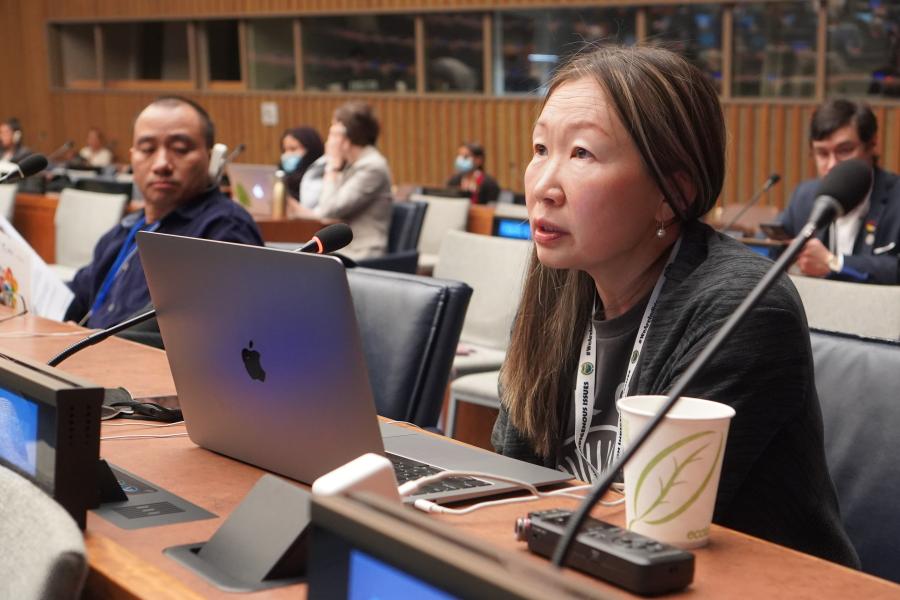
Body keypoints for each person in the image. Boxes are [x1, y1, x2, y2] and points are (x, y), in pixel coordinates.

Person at [492, 46, 858, 567]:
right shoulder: (559, 283)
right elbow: (511, 478)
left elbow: (656, 526)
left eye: (582, 154)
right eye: (540, 148)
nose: (543, 187)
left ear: (673, 194)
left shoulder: (742, 309)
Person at [64, 96, 263, 329]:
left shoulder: (223, 229)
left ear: (209, 158)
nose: (161, 164)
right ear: (132, 157)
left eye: (180, 149)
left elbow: (191, 330)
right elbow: (72, 299)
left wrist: (90, 341)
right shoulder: (121, 234)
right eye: (147, 149)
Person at [777, 99, 900, 284]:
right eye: (822, 153)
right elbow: (770, 244)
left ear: (872, 144)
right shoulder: (805, 196)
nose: (832, 165)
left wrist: (834, 263)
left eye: (845, 150)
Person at [290, 101, 392, 260]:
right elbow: (323, 212)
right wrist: (293, 207)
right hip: (342, 250)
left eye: (333, 133)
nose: (328, 140)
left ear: (347, 136)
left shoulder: (372, 167)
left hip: (361, 254)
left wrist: (332, 166)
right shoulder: (352, 164)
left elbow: (328, 211)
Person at [280, 126, 323, 202]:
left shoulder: (320, 177)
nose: (287, 154)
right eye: (284, 150)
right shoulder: (281, 177)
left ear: (311, 149)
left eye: (293, 149)